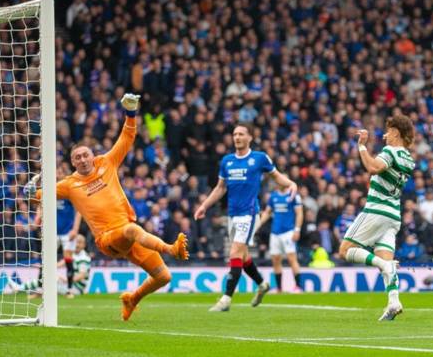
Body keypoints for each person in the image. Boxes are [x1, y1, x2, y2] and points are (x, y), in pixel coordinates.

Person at [24, 93, 188, 321]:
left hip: (132, 237)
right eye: (77, 158)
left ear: (92, 156)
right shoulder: (69, 185)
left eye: (85, 155)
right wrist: (31, 192)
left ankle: (132, 299)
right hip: (108, 239)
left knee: (163, 277)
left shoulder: (106, 163)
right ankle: (171, 249)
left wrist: (131, 113)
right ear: (73, 163)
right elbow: (40, 197)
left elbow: (127, 137)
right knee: (131, 229)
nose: (82, 160)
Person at [194, 124, 297, 312]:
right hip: (232, 215)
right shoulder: (227, 161)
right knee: (243, 256)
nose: (237, 137)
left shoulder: (259, 158)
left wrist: (291, 183)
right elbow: (220, 188)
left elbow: (276, 176)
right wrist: (204, 206)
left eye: (241, 134)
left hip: (249, 214)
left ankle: (226, 299)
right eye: (234, 134)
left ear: (250, 137)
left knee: (234, 252)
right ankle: (262, 284)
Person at [338, 115, 415, 321]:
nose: (385, 134)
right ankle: (393, 302)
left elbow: (373, 167)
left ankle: (383, 265)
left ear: (397, 132)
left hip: (376, 211)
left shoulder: (391, 151)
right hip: (393, 215)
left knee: (345, 250)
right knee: (386, 259)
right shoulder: (408, 157)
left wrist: (362, 147)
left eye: (389, 131)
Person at [258, 185, 304, 293]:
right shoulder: (273, 196)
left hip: (288, 232)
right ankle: (279, 288)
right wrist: (258, 224)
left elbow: (299, 213)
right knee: (275, 260)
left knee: (292, 258)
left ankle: (298, 287)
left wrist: (297, 230)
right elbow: (267, 212)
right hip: (275, 233)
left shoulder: (294, 196)